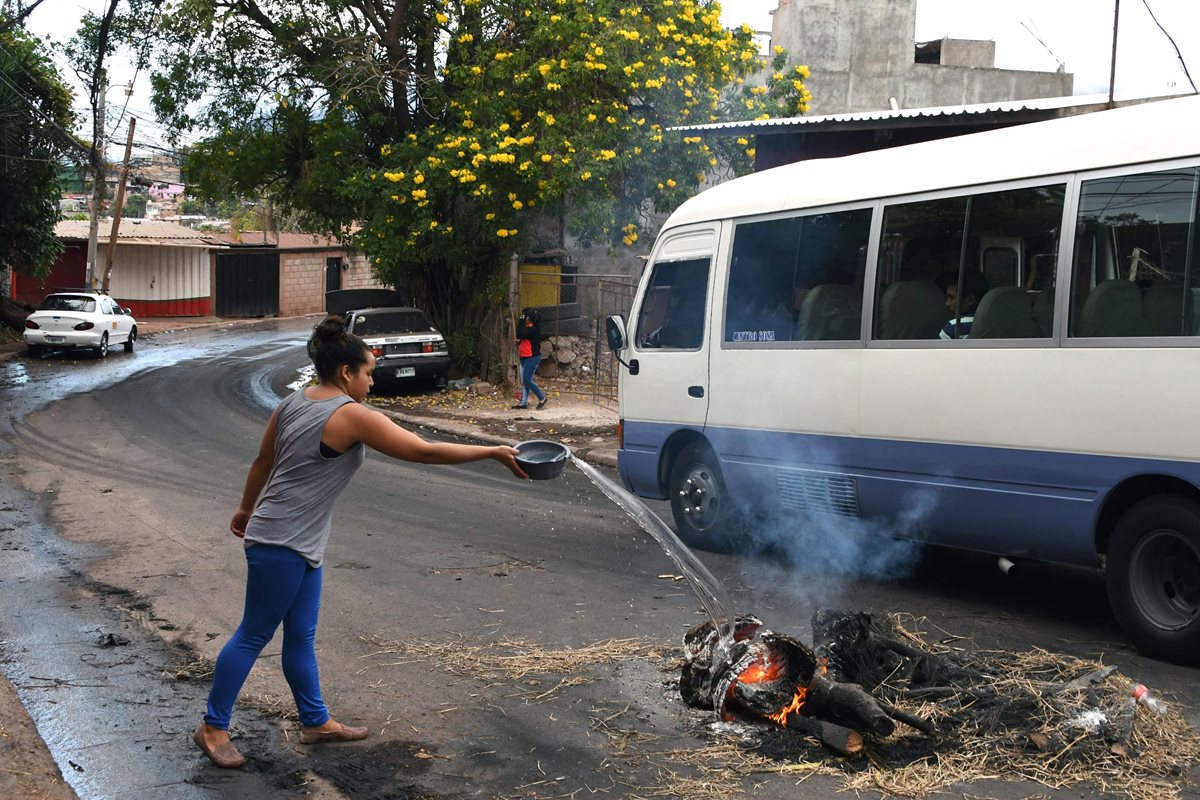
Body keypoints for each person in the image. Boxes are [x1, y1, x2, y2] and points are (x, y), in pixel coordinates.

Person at [193, 315, 527, 769]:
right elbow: (423, 450)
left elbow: (263, 460)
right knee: (254, 634)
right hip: (281, 541)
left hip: (294, 537)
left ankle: (315, 721)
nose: (373, 380)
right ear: (346, 372)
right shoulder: (350, 416)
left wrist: (246, 509)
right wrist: (490, 451)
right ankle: (213, 727)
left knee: (301, 636)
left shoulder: (291, 403)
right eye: (369, 372)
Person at [513, 308, 547, 410]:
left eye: (526, 316)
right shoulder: (528, 327)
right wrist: (519, 342)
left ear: (529, 319)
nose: (524, 318)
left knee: (527, 380)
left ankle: (542, 398)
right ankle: (523, 403)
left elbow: (519, 333)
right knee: (524, 381)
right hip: (524, 356)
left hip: (531, 358)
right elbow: (525, 339)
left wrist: (520, 318)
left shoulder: (533, 329)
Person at [939, 270, 987, 340]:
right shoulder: (995, 324)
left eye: (952, 297)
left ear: (969, 299)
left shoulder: (953, 328)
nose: (947, 304)